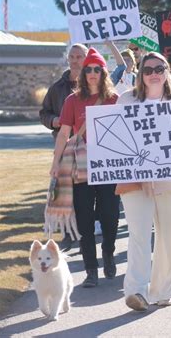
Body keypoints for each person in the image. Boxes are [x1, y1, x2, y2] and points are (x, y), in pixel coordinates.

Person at [117, 52, 171, 311]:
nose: (154, 73)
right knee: (138, 234)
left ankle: (162, 291)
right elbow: (117, 140)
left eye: (159, 68)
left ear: (167, 70)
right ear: (140, 74)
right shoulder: (126, 100)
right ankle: (136, 291)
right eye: (148, 70)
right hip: (135, 180)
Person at [50, 48, 120, 288]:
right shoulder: (72, 100)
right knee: (84, 220)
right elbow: (63, 135)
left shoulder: (114, 99)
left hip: (109, 167)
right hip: (81, 168)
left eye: (96, 69)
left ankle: (109, 252)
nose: (91, 73)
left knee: (110, 216)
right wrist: (55, 164)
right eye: (88, 69)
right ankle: (91, 269)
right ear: (83, 73)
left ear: (103, 72)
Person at [40, 43, 88, 251]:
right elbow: (44, 112)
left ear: (87, 59)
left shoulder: (96, 84)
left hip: (89, 148)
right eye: (72, 56)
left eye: (79, 56)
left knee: (87, 193)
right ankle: (67, 234)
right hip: (65, 147)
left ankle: (86, 231)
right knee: (65, 191)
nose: (75, 60)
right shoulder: (57, 88)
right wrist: (55, 121)